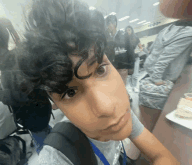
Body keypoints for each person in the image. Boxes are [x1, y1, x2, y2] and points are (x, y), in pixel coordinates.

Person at [17, 0, 179, 164]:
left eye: (100, 69)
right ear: (54, 103)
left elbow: (161, 155)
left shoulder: (120, 113)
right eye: (70, 92)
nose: (106, 107)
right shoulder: (57, 158)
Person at [0, 18, 52, 153]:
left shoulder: (11, 65)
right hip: (39, 115)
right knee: (47, 136)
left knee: (46, 150)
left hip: (36, 118)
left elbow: (28, 95)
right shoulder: (12, 58)